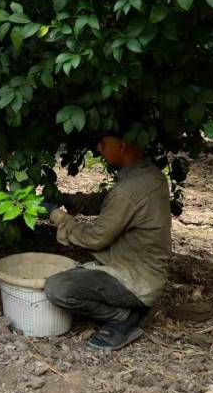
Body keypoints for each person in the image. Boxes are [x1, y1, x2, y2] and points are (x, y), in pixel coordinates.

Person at [44, 134, 172, 351]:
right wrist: (67, 199)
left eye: (103, 143)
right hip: (145, 272)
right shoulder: (149, 175)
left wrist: (55, 215)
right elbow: (107, 201)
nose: (98, 148)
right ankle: (130, 307)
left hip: (134, 280)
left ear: (121, 145)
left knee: (58, 288)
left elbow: (94, 238)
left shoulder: (129, 190)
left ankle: (124, 317)